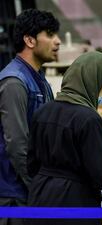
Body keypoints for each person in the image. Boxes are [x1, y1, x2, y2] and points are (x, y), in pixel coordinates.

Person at [27, 51, 102, 225]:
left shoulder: (43, 111)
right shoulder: (89, 119)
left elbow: (31, 164)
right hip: (74, 203)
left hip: (39, 199)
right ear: (95, 82)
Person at [0, 9, 60, 225]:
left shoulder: (40, 81)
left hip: (30, 192)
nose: (58, 41)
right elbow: (17, 144)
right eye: (51, 34)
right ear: (29, 40)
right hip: (14, 195)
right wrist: (37, 186)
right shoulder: (14, 82)